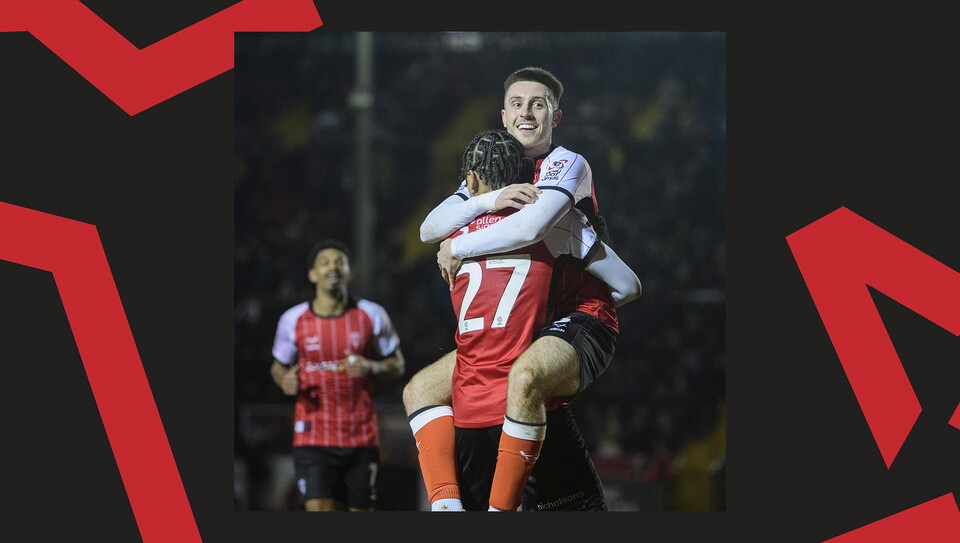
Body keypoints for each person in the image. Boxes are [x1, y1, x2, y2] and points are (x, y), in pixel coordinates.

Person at [406, 124, 640, 511]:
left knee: (418, 389)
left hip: (467, 411)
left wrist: (458, 240)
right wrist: (560, 329)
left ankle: (444, 505)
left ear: (470, 180)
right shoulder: (552, 222)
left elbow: (426, 228)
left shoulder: (452, 232)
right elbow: (628, 286)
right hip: (526, 412)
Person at [270, 239, 405, 511]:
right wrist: (284, 380)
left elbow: (398, 364)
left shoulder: (372, 314)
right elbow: (278, 366)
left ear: (348, 271)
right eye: (325, 262)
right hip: (312, 437)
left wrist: (371, 367)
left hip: (360, 436)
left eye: (339, 261)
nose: (333, 266)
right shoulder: (292, 320)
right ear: (313, 274)